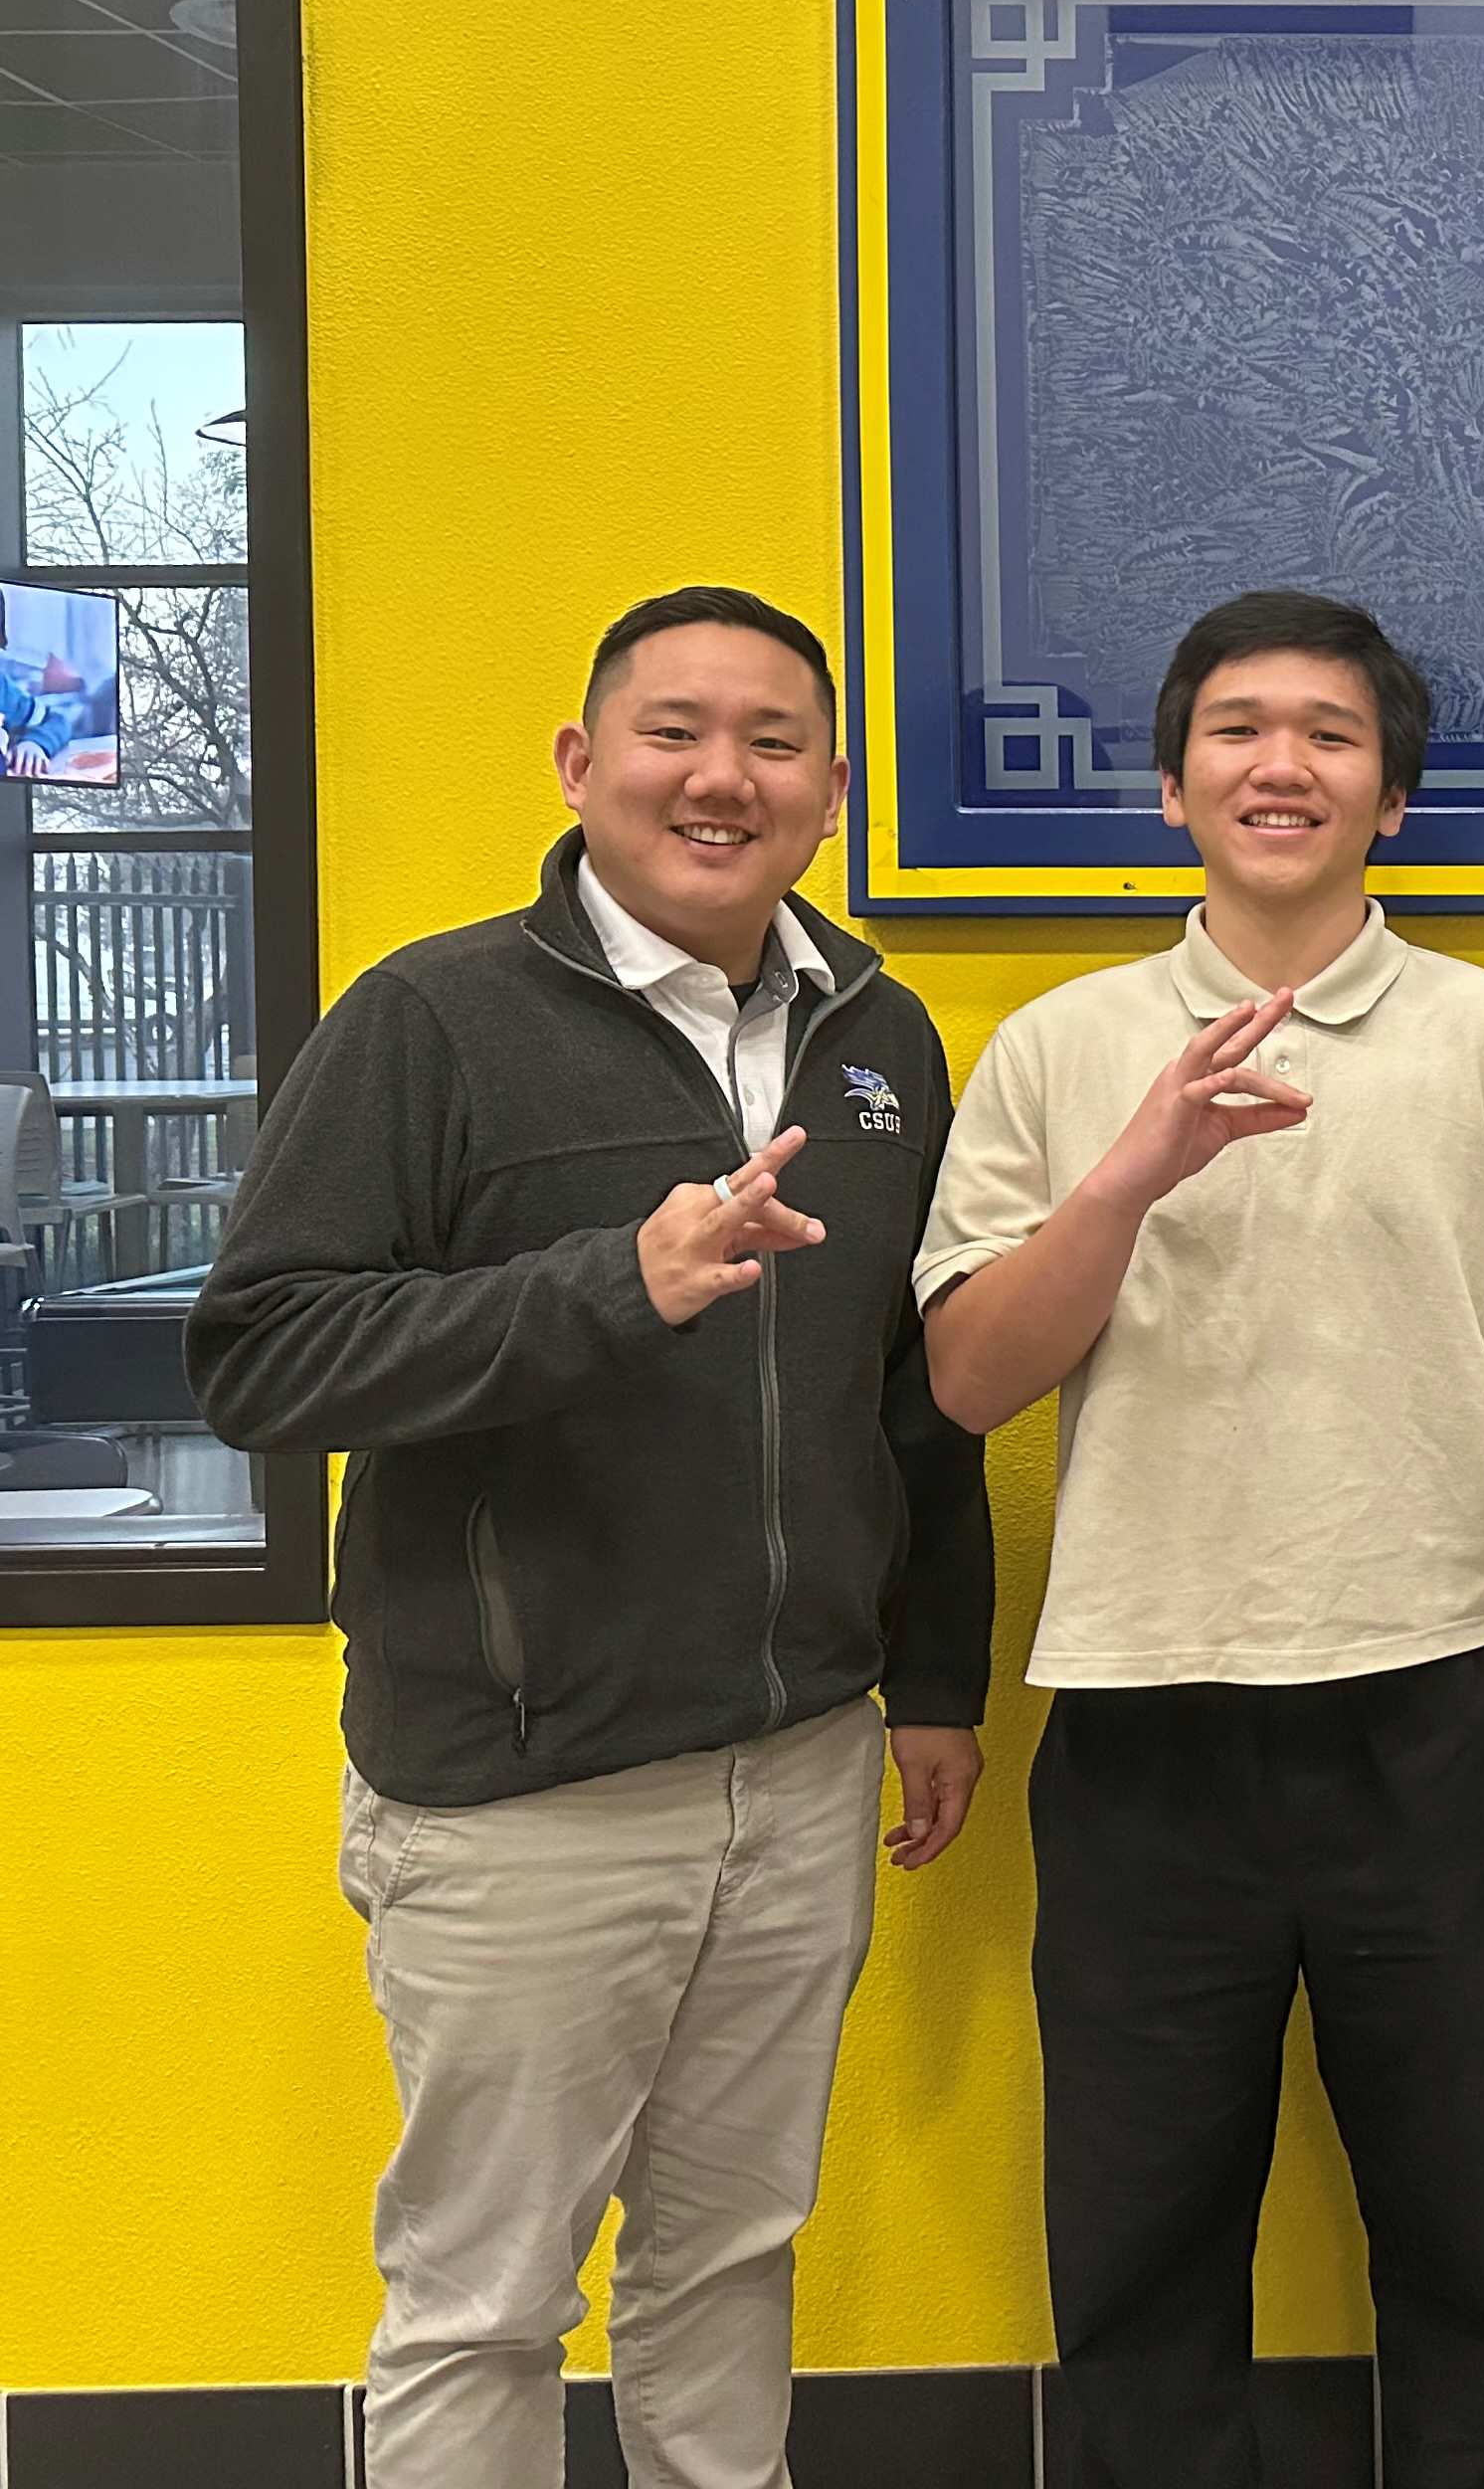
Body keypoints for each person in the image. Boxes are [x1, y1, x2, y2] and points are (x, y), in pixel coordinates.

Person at [188, 584, 993, 2489]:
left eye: (772, 744)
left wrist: (932, 1678)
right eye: (673, 732)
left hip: (799, 1771)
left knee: (727, 2259)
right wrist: (611, 1284)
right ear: (582, 764)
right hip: (523, 1789)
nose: (721, 777)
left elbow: (912, 1390)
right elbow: (264, 1356)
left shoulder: (882, 1033)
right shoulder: (435, 1016)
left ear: (828, 792)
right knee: (483, 2301)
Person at [913, 588, 1484, 2489]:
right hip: (1149, 1723)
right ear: (1170, 786)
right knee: (1144, 2238)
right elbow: (971, 1378)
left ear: (1390, 793)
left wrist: (1458, 1490)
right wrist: (1131, 1174)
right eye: (1237, 729)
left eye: (1327, 732)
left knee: (1470, 2226)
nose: (1280, 763)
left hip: (1434, 1709)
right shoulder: (1060, 1049)